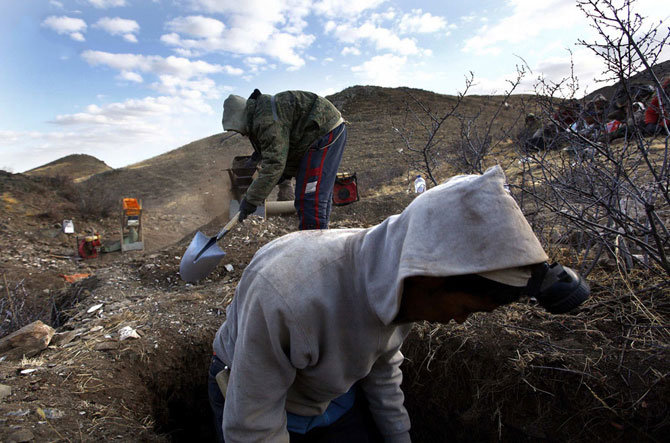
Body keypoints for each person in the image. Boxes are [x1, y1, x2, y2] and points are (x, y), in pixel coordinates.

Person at [208, 166, 589, 443]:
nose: (458, 321)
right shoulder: (291, 294)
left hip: (329, 397)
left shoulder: (402, 277)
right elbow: (252, 425)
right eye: (466, 309)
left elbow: (380, 363)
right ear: (431, 277)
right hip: (250, 393)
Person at [222, 89, 346, 230]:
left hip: (323, 133)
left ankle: (313, 247)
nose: (242, 134)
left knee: (310, 198)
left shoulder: (266, 120)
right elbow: (279, 151)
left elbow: (274, 164)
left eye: (239, 129)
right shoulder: (260, 113)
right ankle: (320, 239)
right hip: (313, 138)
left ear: (241, 118)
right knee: (312, 197)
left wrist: (250, 201)